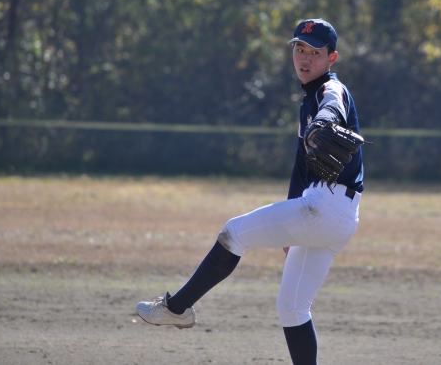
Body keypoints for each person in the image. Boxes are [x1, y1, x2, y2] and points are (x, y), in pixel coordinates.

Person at [135, 18, 365, 365]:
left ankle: (176, 308)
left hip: (325, 207)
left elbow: (332, 105)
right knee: (292, 307)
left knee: (233, 233)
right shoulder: (307, 101)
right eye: (299, 49)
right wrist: (292, 222)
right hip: (337, 215)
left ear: (331, 58)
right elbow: (301, 168)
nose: (304, 58)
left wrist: (322, 122)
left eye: (315, 52)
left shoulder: (330, 91)